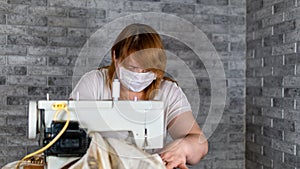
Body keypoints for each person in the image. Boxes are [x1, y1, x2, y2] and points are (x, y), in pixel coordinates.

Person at [70, 23, 208, 169]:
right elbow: (69, 133)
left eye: (147, 70)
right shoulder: (94, 84)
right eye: (132, 68)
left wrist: (184, 147)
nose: (139, 75)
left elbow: (200, 144)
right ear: (115, 57)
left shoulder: (167, 92)